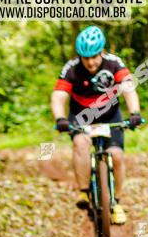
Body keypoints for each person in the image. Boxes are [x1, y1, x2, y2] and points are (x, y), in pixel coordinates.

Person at [51, 25, 142, 225]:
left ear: (102, 52)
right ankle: (84, 192)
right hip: (81, 117)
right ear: (79, 56)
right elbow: (59, 96)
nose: (90, 62)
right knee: (80, 145)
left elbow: (128, 89)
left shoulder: (114, 63)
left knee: (117, 155)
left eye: (94, 56)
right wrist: (60, 118)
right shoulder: (71, 68)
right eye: (86, 57)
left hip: (110, 115)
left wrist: (134, 112)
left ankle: (116, 202)